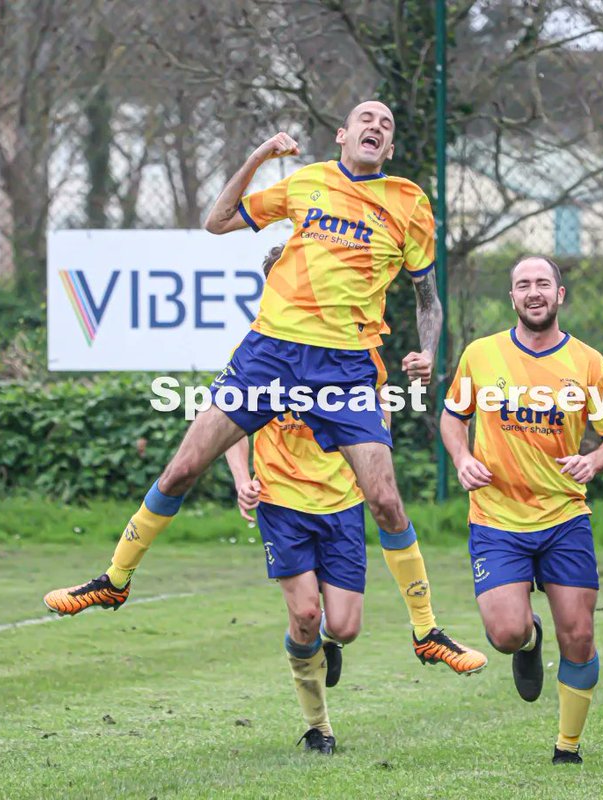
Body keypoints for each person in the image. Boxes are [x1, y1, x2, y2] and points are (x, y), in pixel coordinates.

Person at [44, 100, 486, 681]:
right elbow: (217, 220)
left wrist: (428, 351)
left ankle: (427, 631)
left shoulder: (408, 203)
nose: (375, 127)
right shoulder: (306, 182)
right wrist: (259, 156)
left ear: (392, 147)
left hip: (346, 367)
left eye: (387, 124)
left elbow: (427, 301)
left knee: (385, 499)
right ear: (342, 135)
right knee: (181, 469)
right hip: (271, 352)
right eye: (366, 120)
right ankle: (114, 580)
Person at [222, 247, 485, 755]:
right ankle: (317, 725)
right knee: (303, 616)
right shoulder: (259, 351)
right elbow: (229, 417)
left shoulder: (354, 349)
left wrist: (375, 444)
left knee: (342, 625)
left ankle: (328, 641)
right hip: (282, 500)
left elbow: (379, 407)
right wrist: (242, 476)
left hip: (342, 502)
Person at [440, 255, 603, 765]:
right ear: (511, 298)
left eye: (542, 284)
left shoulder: (588, 363)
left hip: (564, 518)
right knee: (506, 633)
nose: (533, 292)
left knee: (581, 634)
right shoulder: (481, 354)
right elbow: (452, 416)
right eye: (523, 285)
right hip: (496, 518)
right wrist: (462, 458)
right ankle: (528, 645)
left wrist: (593, 460)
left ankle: (567, 748)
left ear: (560, 294)